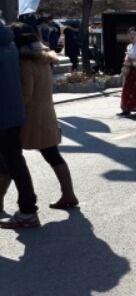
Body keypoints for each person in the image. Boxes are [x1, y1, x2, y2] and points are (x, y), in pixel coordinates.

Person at [10, 23, 80, 210]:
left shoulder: (25, 62)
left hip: (31, 119)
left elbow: (26, 95)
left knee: (9, 157)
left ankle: (6, 201)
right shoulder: (42, 58)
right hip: (46, 115)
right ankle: (68, 194)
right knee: (53, 155)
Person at [0, 21, 40, 228]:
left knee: (12, 162)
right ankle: (27, 208)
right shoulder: (10, 42)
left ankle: (27, 209)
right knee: (13, 161)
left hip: (3, 113)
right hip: (13, 111)